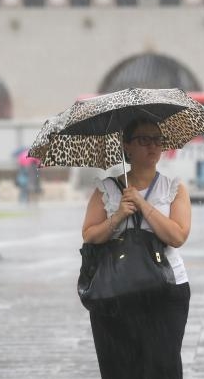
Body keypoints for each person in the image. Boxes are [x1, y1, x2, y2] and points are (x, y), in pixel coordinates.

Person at [81, 118, 192, 378]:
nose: (153, 146)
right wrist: (118, 216)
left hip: (165, 289)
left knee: (163, 367)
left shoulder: (173, 188)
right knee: (119, 368)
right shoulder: (107, 189)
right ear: (127, 146)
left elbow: (177, 236)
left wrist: (143, 206)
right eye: (144, 140)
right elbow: (89, 235)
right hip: (115, 291)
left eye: (157, 140)